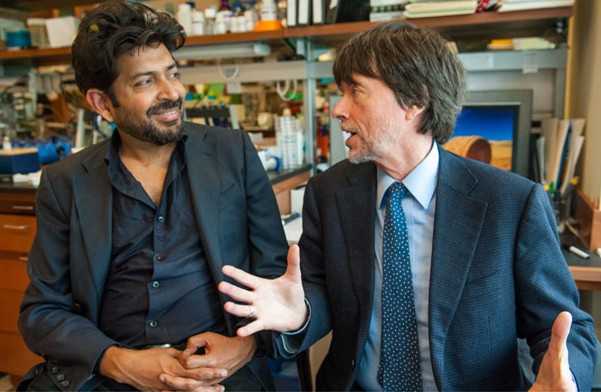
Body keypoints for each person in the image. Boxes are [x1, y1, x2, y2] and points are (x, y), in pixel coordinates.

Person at [218, 22, 598, 391]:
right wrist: (301, 312)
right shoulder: (328, 192)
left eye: (356, 91)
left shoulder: (512, 203)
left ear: (414, 100)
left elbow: (566, 326)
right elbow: (321, 289)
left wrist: (568, 379)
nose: (338, 109)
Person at [18, 2, 288, 391]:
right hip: (112, 371)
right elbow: (41, 311)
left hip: (218, 367)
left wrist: (244, 346)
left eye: (172, 74)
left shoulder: (233, 154)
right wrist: (117, 361)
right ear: (102, 104)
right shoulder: (65, 181)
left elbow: (274, 275)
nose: (172, 92)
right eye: (145, 82)